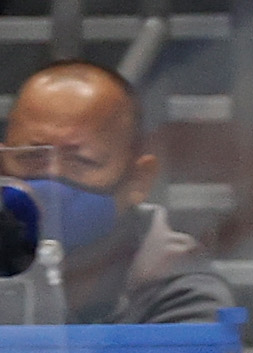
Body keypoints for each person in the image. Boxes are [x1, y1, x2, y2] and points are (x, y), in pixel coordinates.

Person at [0, 60, 234, 328]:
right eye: (32, 157)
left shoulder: (181, 291)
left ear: (139, 179)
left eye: (82, 161)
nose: (53, 180)